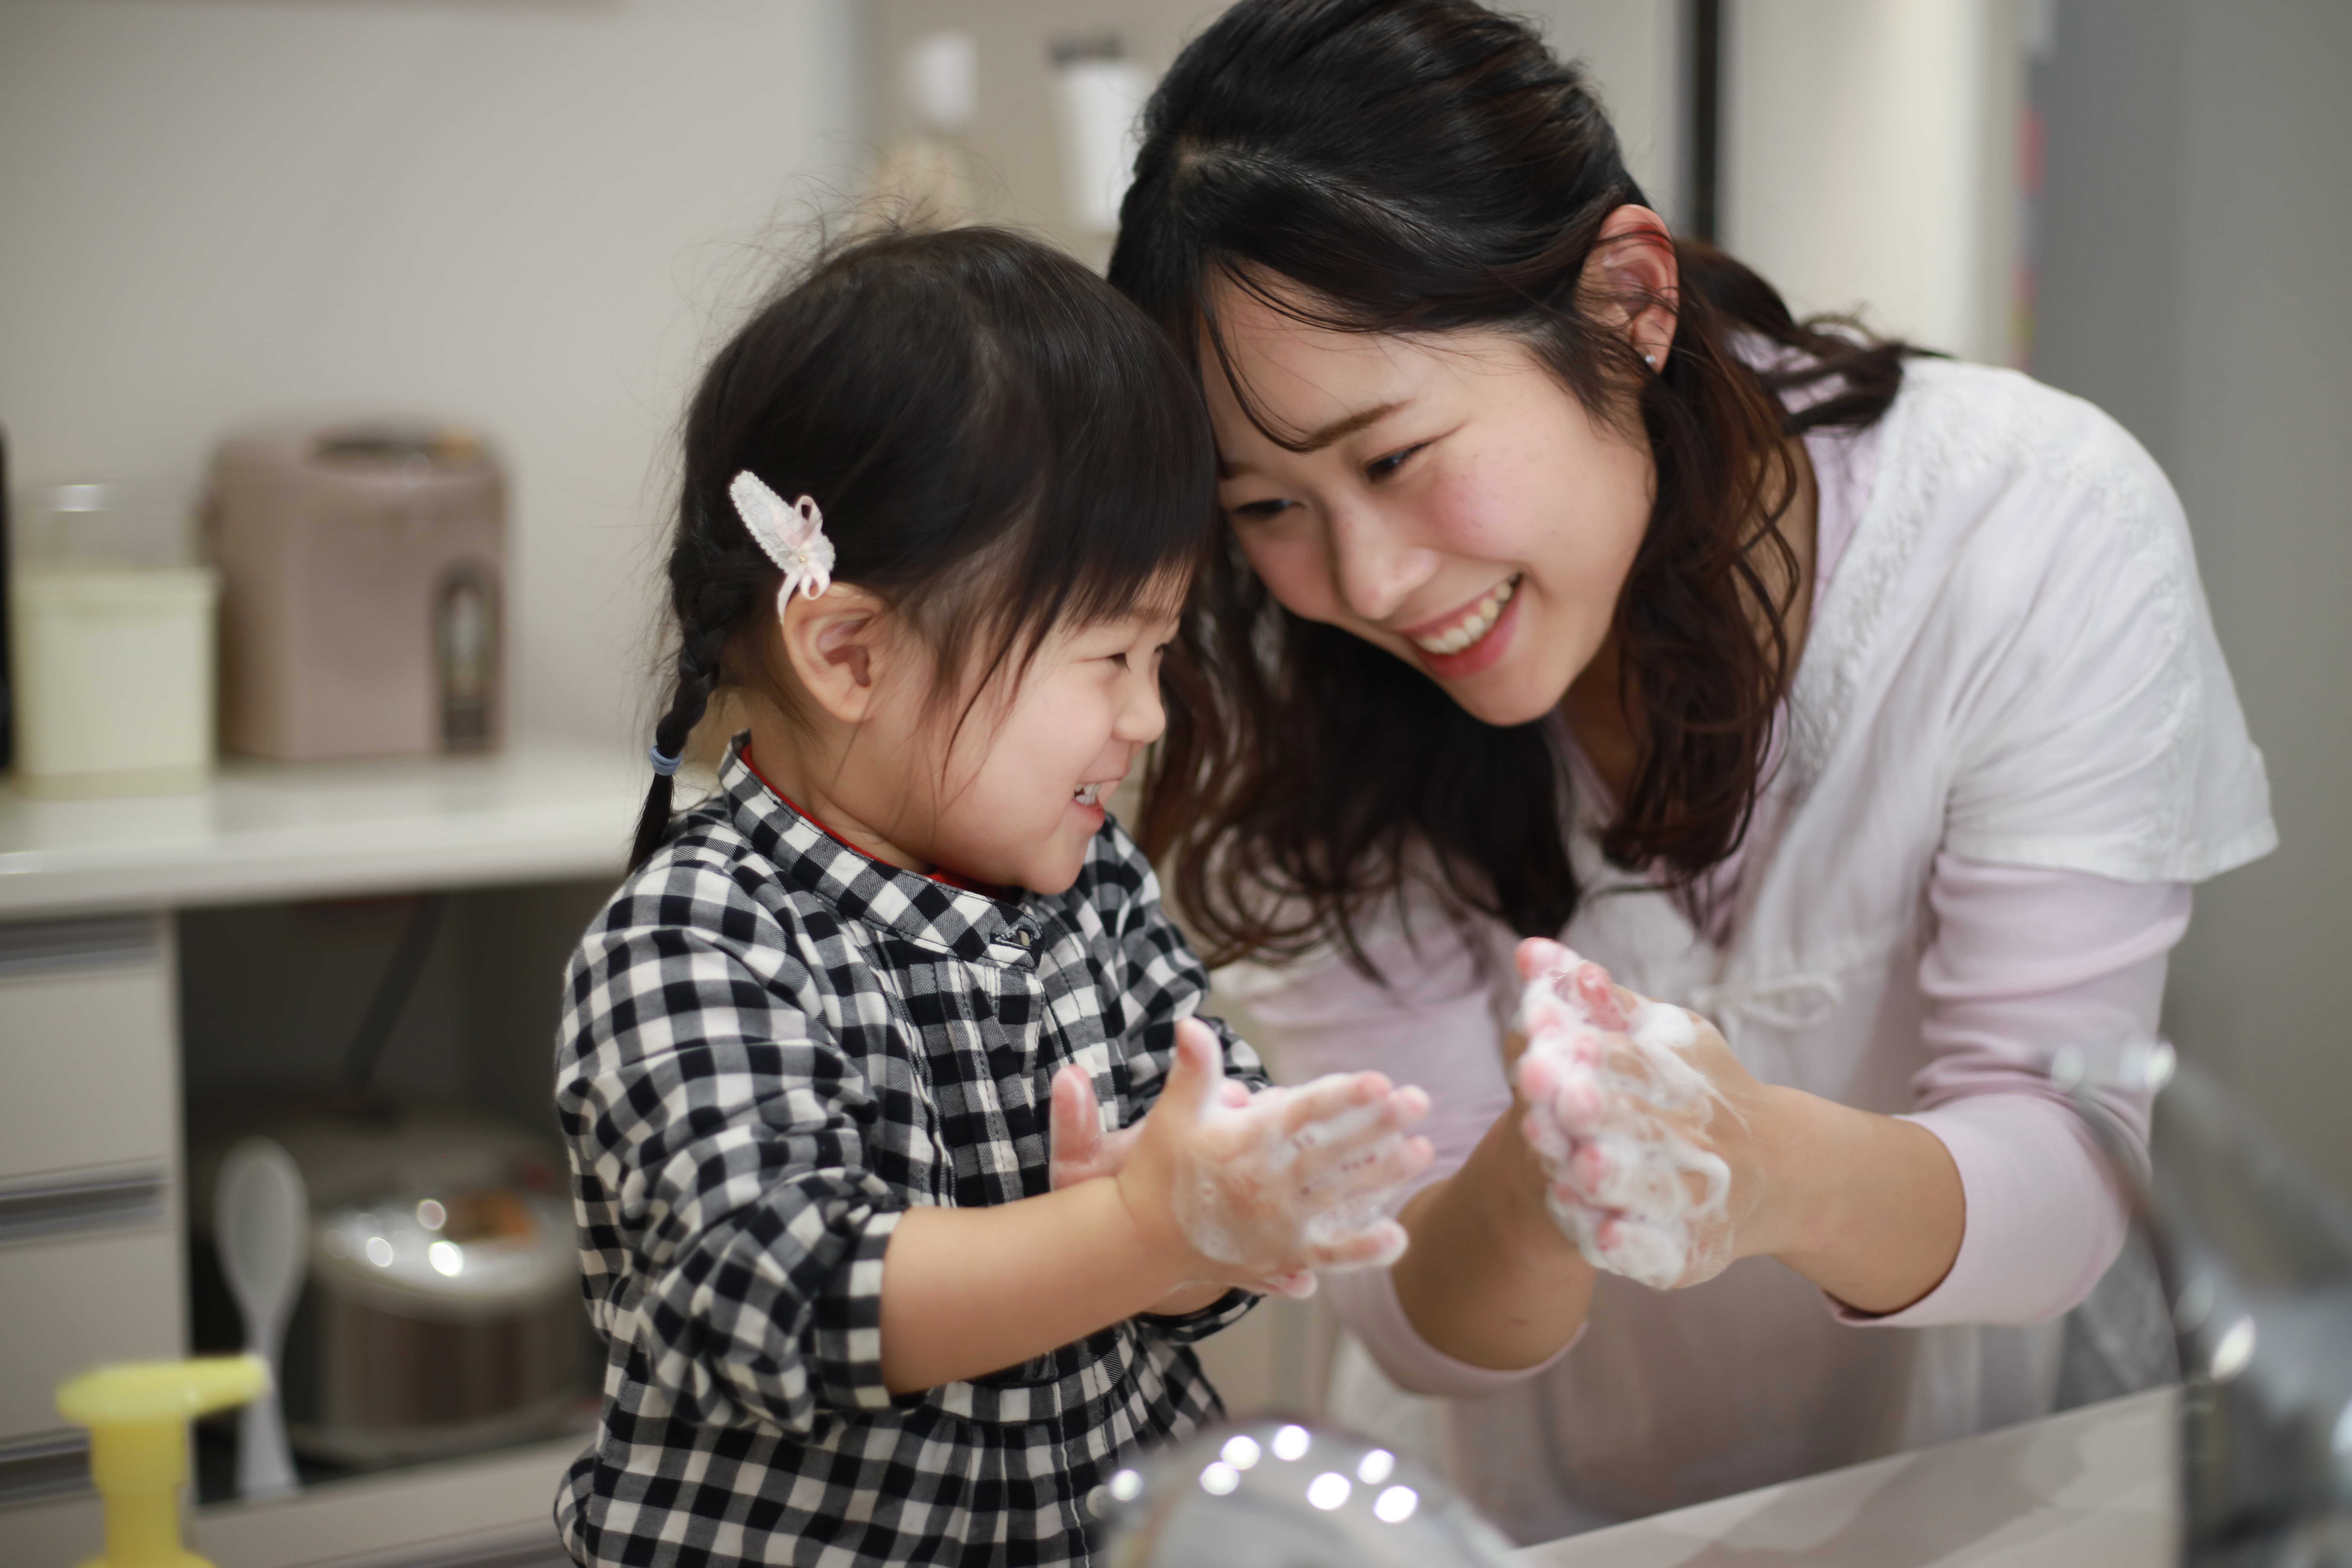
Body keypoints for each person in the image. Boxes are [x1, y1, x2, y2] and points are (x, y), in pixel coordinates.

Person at [1110, 0, 2275, 1544]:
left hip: (1985, 1490)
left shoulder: (2025, 531)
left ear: (1628, 297)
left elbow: (2067, 1171)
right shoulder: (1274, 688)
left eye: (1394, 459)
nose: (1368, 579)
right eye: (1266, 507)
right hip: (1526, 1518)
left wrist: (1767, 1169)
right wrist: (1534, 1184)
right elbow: (1420, 1323)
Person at [553, 226, 1433, 1568]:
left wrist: (1221, 1213)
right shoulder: (695, 939)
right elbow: (776, 1301)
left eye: (1162, 652)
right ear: (850, 651)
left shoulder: (1096, 891)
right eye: (1108, 656)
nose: (1145, 714)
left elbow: (1186, 1246)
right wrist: (1133, 1227)